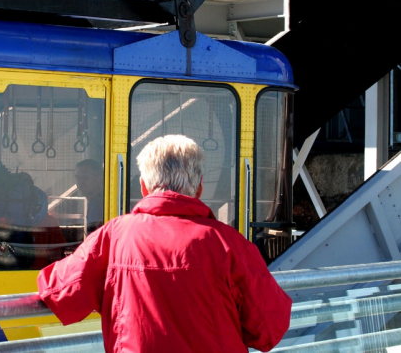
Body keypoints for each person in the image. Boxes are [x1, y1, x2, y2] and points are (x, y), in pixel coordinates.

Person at [38, 135, 292, 352]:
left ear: (144, 187)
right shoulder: (230, 244)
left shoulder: (114, 236)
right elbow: (270, 329)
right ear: (199, 187)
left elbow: (60, 293)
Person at [74, 159, 104, 234]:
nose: (80, 182)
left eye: (85, 177)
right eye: (78, 177)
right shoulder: (96, 201)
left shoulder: (98, 204)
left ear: (99, 178)